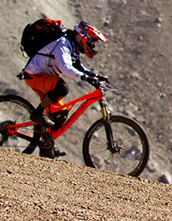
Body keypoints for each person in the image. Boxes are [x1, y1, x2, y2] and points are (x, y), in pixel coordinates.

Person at [21, 20, 108, 157]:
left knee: (60, 114)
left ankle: (46, 145)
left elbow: (79, 68)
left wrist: (97, 77)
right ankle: (38, 113)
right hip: (35, 76)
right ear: (83, 37)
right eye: (93, 41)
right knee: (62, 88)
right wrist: (86, 78)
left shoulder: (72, 46)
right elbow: (66, 68)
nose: (93, 45)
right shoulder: (63, 44)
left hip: (44, 77)